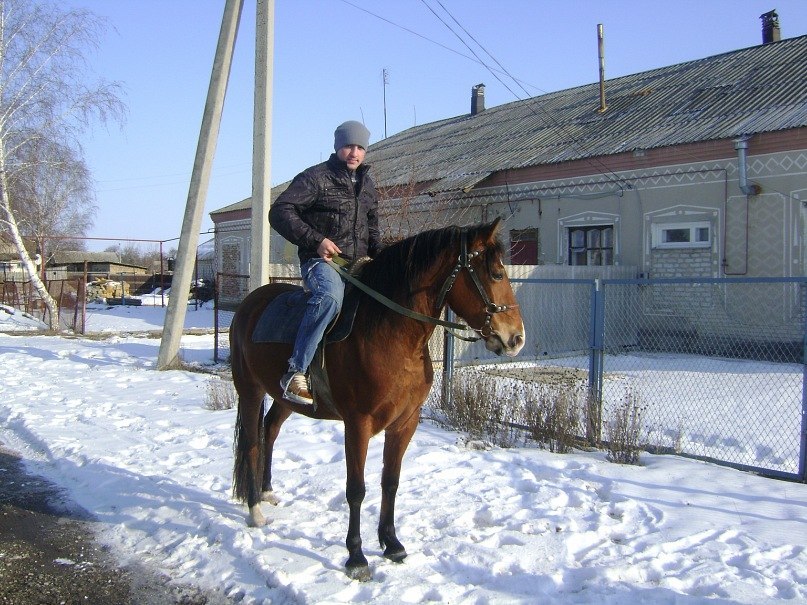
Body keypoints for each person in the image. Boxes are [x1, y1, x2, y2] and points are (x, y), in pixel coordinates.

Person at [268, 120, 381, 405]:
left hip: (358, 264)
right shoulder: (316, 178)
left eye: (360, 147)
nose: (354, 153)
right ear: (337, 146)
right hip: (322, 262)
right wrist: (316, 240)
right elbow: (280, 211)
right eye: (348, 146)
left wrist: (382, 261)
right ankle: (295, 372)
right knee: (330, 298)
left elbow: (373, 228)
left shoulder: (368, 185)